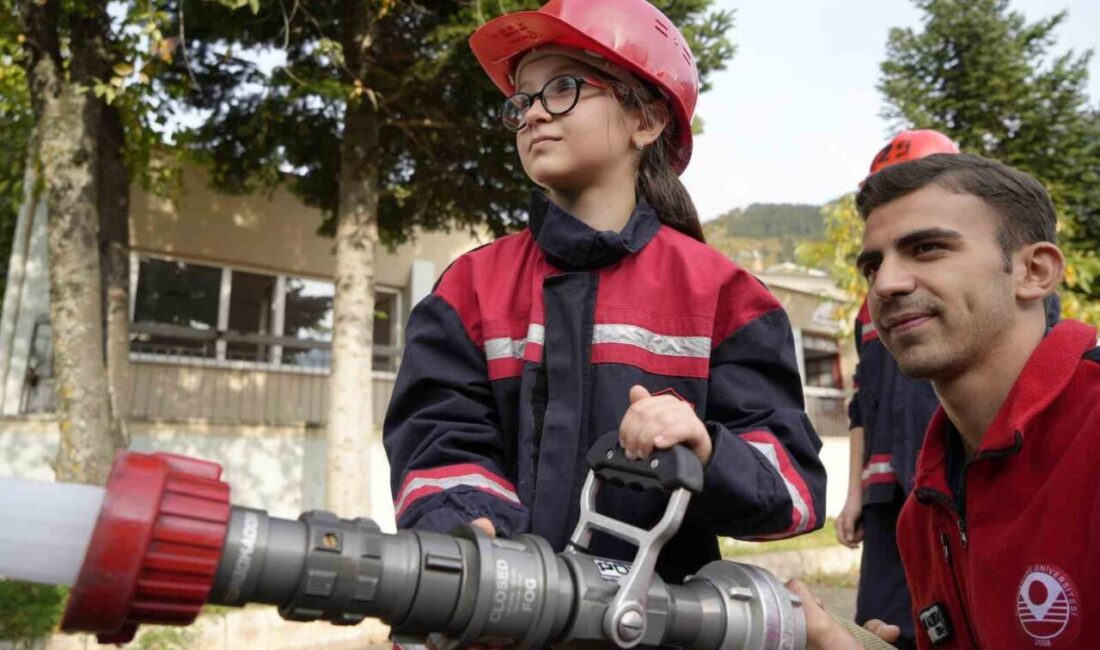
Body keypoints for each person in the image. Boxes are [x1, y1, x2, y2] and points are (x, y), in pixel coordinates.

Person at [383, 0, 826, 588]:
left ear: (647, 121)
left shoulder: (726, 296)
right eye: (522, 100)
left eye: (562, 88)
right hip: (494, 613)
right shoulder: (469, 289)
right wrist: (470, 527)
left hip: (656, 623)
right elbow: (437, 441)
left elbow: (792, 487)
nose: (533, 113)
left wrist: (706, 451)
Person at [797, 153, 1100, 649]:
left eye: (928, 248)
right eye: (873, 265)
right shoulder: (922, 513)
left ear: (1034, 271)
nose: (886, 284)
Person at [838, 130, 962, 650]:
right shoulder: (873, 305)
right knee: (880, 629)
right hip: (887, 494)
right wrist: (854, 494)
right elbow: (861, 403)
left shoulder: (986, 283)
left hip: (955, 485)